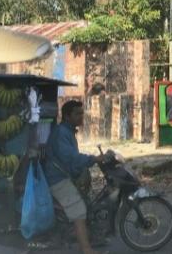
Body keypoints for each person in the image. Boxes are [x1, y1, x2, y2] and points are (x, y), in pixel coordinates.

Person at [43, 100, 106, 254]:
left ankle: (89, 236)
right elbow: (71, 158)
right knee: (79, 210)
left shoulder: (68, 131)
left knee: (88, 201)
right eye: (77, 114)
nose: (81, 116)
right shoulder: (61, 133)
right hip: (57, 179)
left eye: (82, 113)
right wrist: (93, 159)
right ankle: (86, 250)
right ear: (66, 116)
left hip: (65, 175)